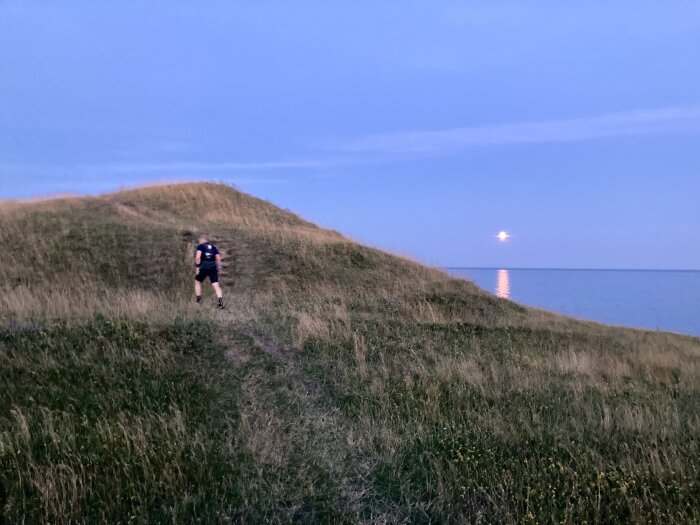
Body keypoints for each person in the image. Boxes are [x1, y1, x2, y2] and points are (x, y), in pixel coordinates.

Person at [194, 234, 225, 309]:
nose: (199, 241)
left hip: (204, 267)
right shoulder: (213, 247)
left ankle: (199, 301)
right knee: (216, 285)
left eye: (199, 240)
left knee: (197, 282)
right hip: (213, 268)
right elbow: (218, 258)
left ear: (202, 240)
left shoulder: (201, 246)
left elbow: (198, 257)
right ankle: (221, 303)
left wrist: (198, 267)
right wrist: (219, 268)